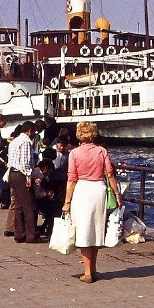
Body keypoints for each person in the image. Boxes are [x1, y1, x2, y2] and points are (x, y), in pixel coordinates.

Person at [62, 121, 122, 283]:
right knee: (96, 229)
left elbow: (72, 179)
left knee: (83, 230)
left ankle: (88, 272)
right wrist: (117, 194)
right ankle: (93, 269)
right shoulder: (102, 151)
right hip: (99, 190)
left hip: (82, 190)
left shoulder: (74, 153)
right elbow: (110, 175)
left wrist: (67, 201)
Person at [7, 122, 41, 243]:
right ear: (30, 130)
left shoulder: (14, 141)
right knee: (29, 206)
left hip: (13, 173)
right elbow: (25, 162)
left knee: (19, 205)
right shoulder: (26, 142)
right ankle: (30, 235)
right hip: (21, 174)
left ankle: (19, 234)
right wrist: (28, 177)